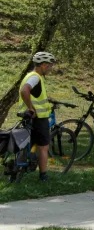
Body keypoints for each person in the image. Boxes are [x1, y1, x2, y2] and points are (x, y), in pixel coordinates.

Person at [17, 52, 57, 182]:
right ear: (44, 65)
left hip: (28, 117)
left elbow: (33, 94)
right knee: (44, 147)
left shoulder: (29, 75)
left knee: (27, 143)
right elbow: (25, 91)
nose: (50, 68)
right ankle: (43, 176)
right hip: (38, 118)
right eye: (50, 66)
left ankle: (19, 169)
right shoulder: (35, 77)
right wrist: (31, 108)